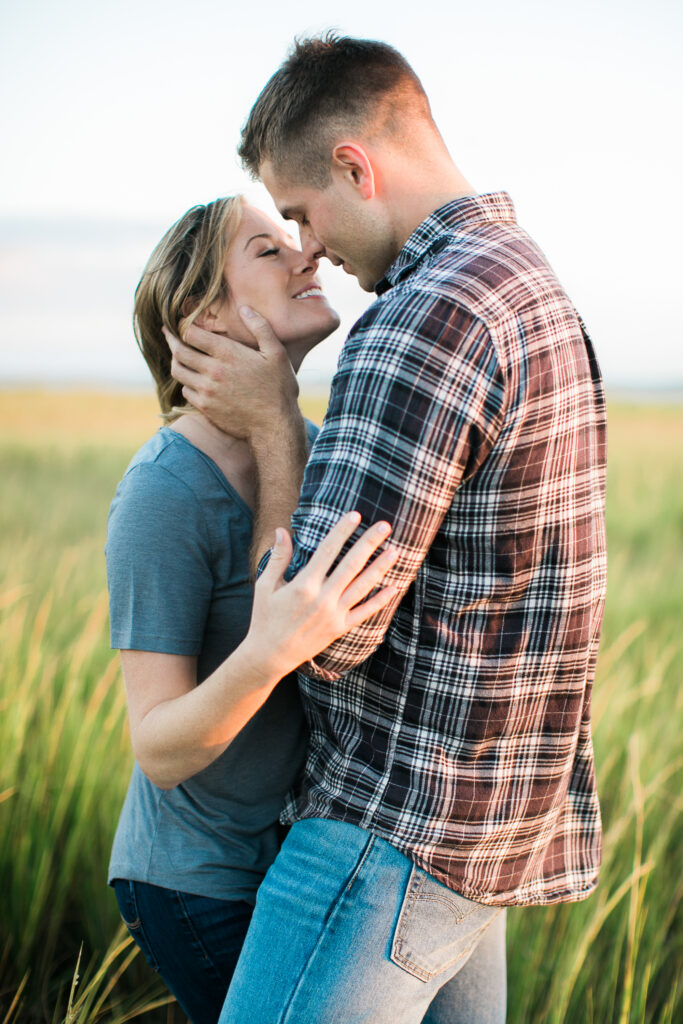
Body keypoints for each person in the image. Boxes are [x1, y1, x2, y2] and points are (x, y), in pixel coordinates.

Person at [168, 34, 607, 1024]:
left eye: (301, 213)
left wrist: (274, 424)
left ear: (355, 167)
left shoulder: (423, 315)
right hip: (484, 837)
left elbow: (328, 628)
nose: (308, 248)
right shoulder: (533, 285)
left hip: (383, 832)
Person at [104, 194, 399, 1024]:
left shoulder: (306, 439)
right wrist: (265, 652)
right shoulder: (164, 492)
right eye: (268, 252)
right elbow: (157, 746)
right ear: (204, 316)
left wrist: (274, 423)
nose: (307, 255)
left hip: (291, 861)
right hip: (195, 881)